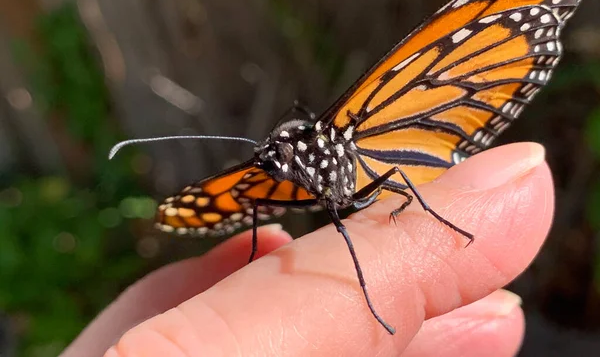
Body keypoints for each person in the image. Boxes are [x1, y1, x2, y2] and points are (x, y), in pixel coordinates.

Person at [61, 142, 551, 356]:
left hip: (409, 168)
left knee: (383, 188)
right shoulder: (292, 176)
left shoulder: (342, 154)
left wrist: (440, 218)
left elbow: (388, 182)